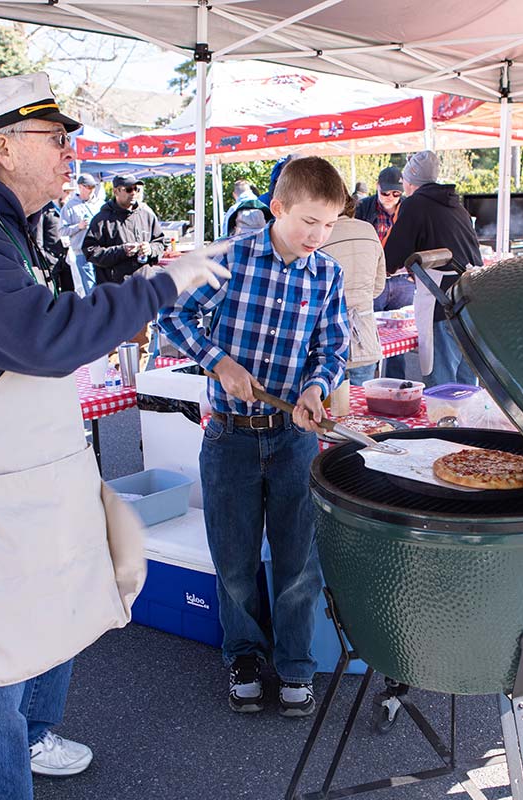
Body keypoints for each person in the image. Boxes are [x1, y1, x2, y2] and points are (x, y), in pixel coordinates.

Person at [0, 72, 229, 800]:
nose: (72, 153)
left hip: (9, 466)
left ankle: (31, 738)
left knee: (52, 616)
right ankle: (2, 779)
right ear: (2, 145)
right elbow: (42, 337)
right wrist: (163, 284)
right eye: (56, 139)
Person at [159, 156, 349, 719]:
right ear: (279, 208)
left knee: (299, 560)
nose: (318, 236)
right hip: (229, 438)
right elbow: (172, 317)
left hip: (294, 441)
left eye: (330, 225)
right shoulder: (232, 259)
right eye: (309, 222)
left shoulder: (327, 274)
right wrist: (219, 363)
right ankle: (243, 656)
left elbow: (332, 347)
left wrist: (316, 388)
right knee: (235, 558)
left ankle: (294, 667)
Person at [384, 150, 481, 388]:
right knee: (467, 383)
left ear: (409, 181)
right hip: (471, 300)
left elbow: (392, 255)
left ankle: (444, 424)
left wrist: (385, 268)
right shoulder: (456, 205)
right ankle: (468, 425)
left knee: (441, 384)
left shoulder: (415, 205)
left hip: (442, 303)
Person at [321, 193, 386, 385]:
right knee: (361, 409)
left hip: (330, 338)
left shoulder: (320, 235)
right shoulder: (368, 230)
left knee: (330, 408)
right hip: (365, 335)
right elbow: (378, 285)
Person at [356, 166, 410, 378]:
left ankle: (397, 384)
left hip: (402, 279)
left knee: (400, 339)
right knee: (371, 337)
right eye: (385, 193)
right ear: (377, 187)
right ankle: (372, 384)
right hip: (373, 279)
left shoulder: (408, 208)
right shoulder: (364, 207)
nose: (390, 198)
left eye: (396, 194)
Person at [83, 174, 166, 285]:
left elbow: (160, 243)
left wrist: (150, 249)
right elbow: (91, 252)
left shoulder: (146, 214)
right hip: (115, 288)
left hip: (144, 284)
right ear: (116, 191)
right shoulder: (101, 219)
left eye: (136, 189)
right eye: (128, 189)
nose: (133, 193)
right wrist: (121, 251)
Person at [60, 172, 104, 292]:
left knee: (103, 286)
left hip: (101, 251)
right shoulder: (69, 206)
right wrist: (78, 227)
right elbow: (62, 230)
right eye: (88, 187)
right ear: (80, 187)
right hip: (82, 253)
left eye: (93, 187)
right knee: (90, 288)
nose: (91, 190)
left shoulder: (101, 205)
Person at [31, 180, 75, 295]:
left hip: (66, 258)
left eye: (69, 193)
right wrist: (45, 260)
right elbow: (38, 240)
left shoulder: (67, 211)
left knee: (69, 292)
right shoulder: (44, 211)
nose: (68, 196)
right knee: (52, 294)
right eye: (66, 192)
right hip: (51, 261)